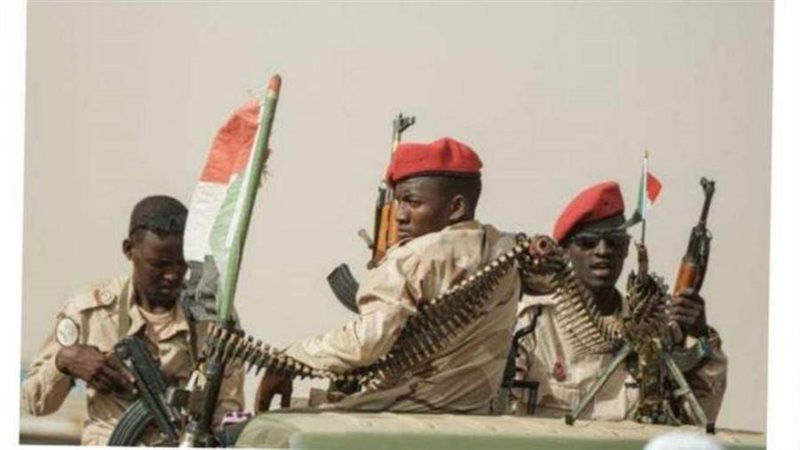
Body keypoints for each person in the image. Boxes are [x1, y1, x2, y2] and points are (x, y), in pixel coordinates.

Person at [255, 137, 534, 414]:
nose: (400, 216)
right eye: (399, 202)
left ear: (456, 208)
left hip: (400, 411)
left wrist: (290, 359)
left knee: (253, 431)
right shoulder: (506, 250)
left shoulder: (414, 257)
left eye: (413, 202)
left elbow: (367, 343)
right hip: (472, 413)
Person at [21, 195, 245, 445]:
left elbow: (228, 413)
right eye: (159, 265)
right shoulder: (90, 312)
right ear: (129, 250)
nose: (172, 275)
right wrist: (63, 361)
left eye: (180, 264)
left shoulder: (212, 321)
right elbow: (34, 402)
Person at [513, 181, 727, 422]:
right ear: (564, 251)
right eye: (588, 242)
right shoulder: (533, 324)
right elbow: (501, 410)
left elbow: (699, 417)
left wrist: (699, 337)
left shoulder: (653, 329)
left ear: (626, 249)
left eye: (614, 242)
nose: (603, 251)